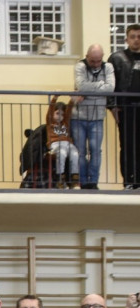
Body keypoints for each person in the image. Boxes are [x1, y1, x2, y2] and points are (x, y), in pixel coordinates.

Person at [73, 44, 115, 190]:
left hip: (97, 117)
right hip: (78, 117)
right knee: (80, 151)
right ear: (87, 57)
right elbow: (81, 85)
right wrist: (100, 86)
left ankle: (93, 182)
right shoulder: (80, 66)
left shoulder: (108, 67)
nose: (96, 64)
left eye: (98, 61)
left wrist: (88, 89)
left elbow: (110, 88)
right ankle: (84, 183)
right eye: (92, 61)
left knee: (96, 150)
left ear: (102, 57)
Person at [110, 25, 140, 190]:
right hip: (126, 109)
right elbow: (110, 85)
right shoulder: (117, 58)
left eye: (139, 36)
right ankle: (129, 181)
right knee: (127, 146)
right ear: (127, 39)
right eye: (133, 36)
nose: (136, 39)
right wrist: (113, 107)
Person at [46, 97, 80, 188]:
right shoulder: (50, 122)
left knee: (75, 153)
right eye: (57, 113)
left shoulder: (65, 123)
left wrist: (72, 100)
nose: (59, 117)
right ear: (53, 113)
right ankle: (60, 179)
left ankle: (75, 180)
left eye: (62, 115)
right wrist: (55, 98)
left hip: (67, 143)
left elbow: (69, 110)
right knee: (62, 153)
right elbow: (50, 110)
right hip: (55, 143)